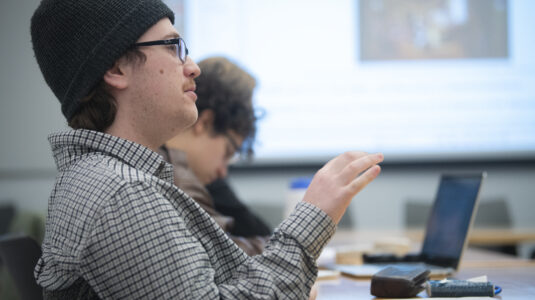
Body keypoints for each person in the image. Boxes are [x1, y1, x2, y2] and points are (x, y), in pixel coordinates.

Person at [30, 0, 384, 298]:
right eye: (172, 47)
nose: (193, 67)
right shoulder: (122, 193)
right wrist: (314, 216)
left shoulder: (105, 179)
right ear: (115, 67)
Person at [160, 56, 270, 256]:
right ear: (205, 122)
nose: (222, 171)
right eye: (227, 153)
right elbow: (225, 254)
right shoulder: (172, 175)